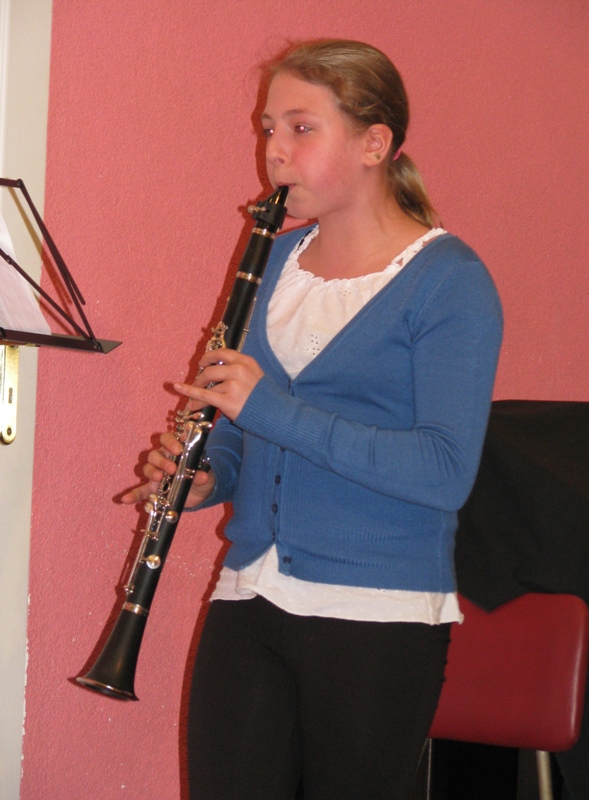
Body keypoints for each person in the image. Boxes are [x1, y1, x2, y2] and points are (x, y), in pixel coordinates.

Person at [123, 39, 503, 800]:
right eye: (269, 128)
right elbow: (243, 432)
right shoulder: (273, 263)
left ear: (374, 144)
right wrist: (208, 474)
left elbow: (443, 472)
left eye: (301, 128)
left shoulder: (450, 282)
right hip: (250, 593)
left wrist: (270, 407)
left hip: (378, 613)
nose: (274, 151)